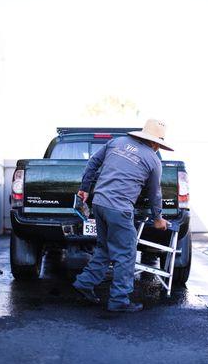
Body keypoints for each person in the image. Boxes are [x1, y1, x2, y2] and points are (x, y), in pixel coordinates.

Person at [73, 119, 174, 312]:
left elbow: (93, 162)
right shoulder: (153, 160)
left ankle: (85, 283)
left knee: (105, 249)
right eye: (159, 145)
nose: (157, 148)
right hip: (119, 209)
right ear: (155, 143)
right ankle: (119, 300)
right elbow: (155, 194)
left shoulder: (116, 142)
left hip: (99, 203)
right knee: (126, 253)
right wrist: (158, 218)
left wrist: (84, 188)